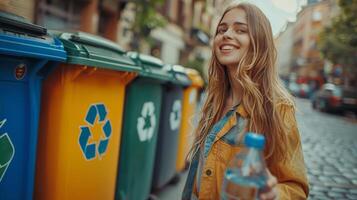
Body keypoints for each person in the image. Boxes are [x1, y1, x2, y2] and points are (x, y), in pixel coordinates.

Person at [182, 2, 309, 200]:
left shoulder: (278, 108)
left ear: (259, 42)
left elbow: (296, 189)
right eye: (221, 29)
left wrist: (274, 194)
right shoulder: (215, 99)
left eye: (240, 30)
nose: (226, 34)